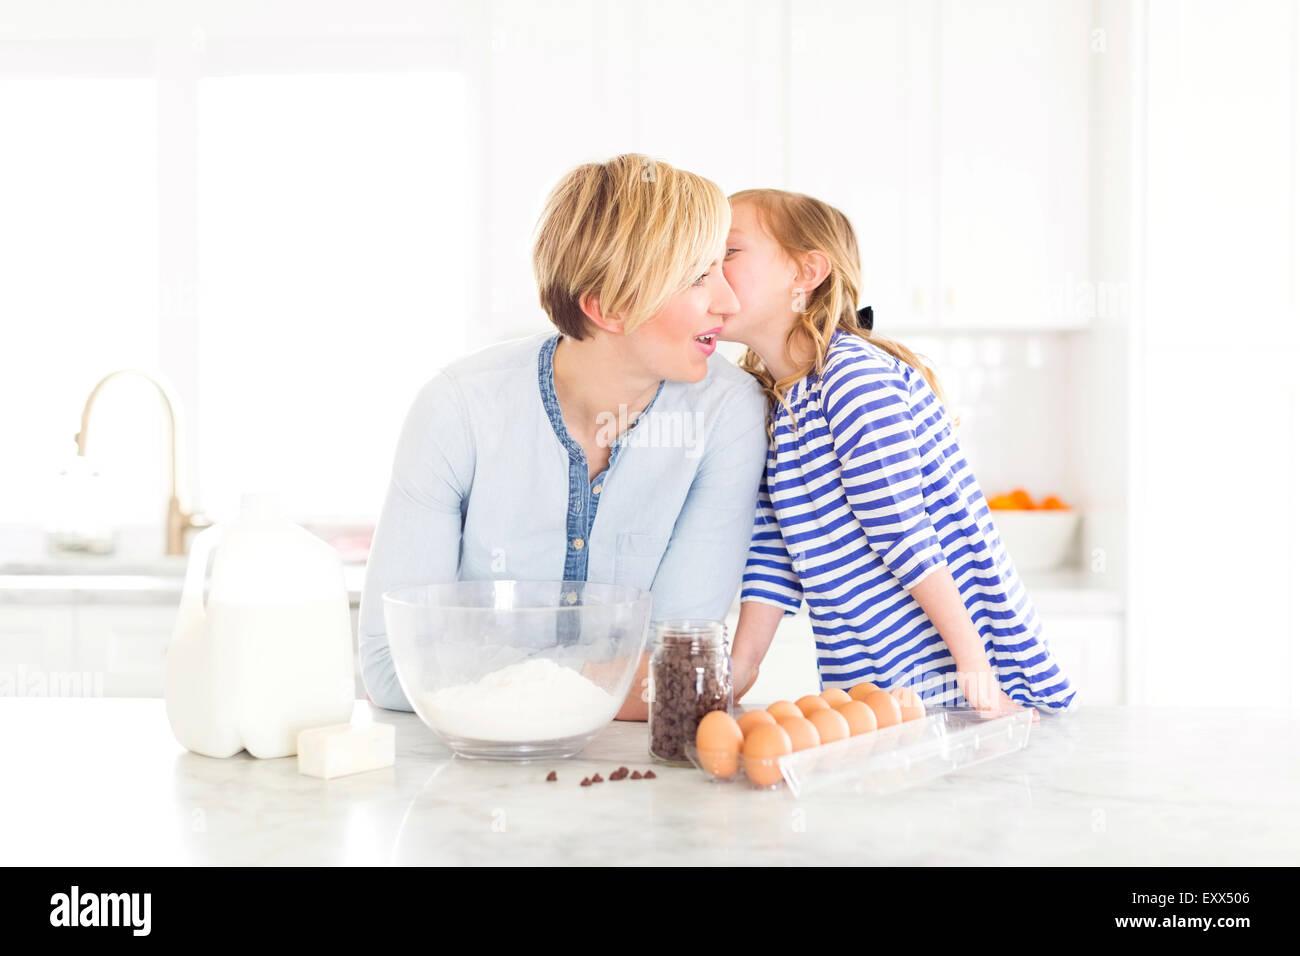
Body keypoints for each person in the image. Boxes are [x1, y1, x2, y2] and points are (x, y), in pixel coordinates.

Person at [358, 154, 768, 717]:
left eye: (721, 267)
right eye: (699, 277)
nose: (730, 301)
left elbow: (680, 675)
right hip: (468, 785)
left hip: (643, 788)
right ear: (608, 308)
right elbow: (389, 666)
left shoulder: (728, 415)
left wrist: (483, 674)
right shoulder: (458, 409)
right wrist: (604, 680)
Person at [721, 188, 1077, 717]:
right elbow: (774, 560)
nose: (704, 272)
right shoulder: (777, 405)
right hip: (880, 693)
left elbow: (902, 532)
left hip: (970, 682)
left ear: (805, 272)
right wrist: (733, 676)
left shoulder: (852, 377)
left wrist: (975, 671)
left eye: (727, 252)